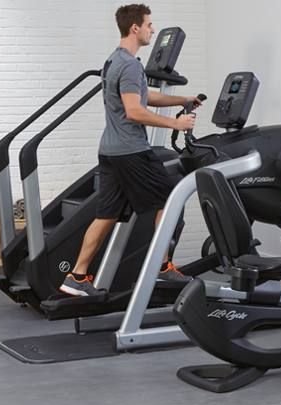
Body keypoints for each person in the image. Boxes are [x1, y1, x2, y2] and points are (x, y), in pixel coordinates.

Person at [61, 4, 203, 297]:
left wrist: (182, 100)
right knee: (170, 198)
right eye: (149, 25)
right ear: (135, 28)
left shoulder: (114, 61)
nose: (153, 29)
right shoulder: (129, 64)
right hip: (131, 151)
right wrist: (176, 125)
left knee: (107, 214)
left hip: (111, 151)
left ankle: (76, 276)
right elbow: (134, 111)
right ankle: (163, 268)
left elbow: (143, 95)